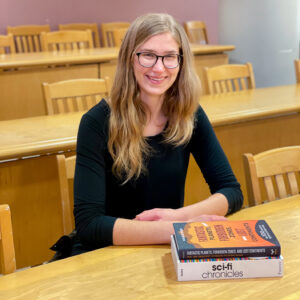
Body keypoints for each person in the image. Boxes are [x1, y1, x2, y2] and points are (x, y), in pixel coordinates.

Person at [71, 13, 243, 255]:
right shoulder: (96, 122)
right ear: (129, 59)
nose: (159, 67)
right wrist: (177, 228)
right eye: (148, 55)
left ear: (181, 62)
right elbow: (89, 224)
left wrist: (180, 217)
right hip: (107, 254)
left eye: (170, 57)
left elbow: (232, 191)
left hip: (166, 249)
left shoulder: (189, 114)